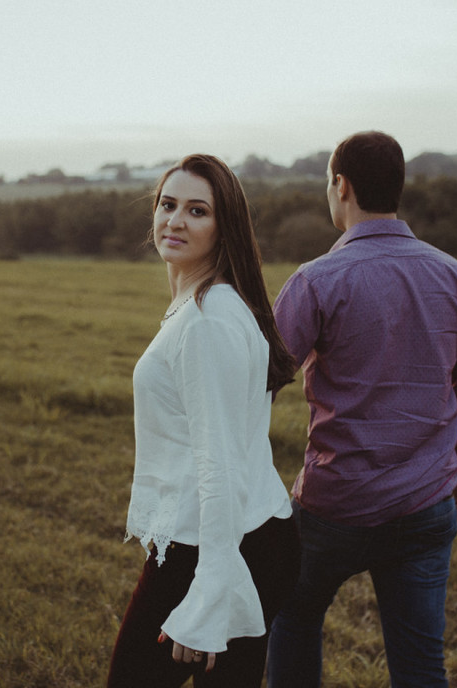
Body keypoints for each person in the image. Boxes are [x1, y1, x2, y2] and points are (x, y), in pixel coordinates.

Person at [266, 131, 457, 688]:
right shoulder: (453, 274)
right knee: (420, 666)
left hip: (334, 504)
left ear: (341, 186)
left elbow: (260, 380)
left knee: (291, 613)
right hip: (428, 502)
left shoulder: (316, 279)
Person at [108, 154, 301, 688]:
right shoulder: (209, 302)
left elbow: (217, 465)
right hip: (249, 536)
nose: (175, 221)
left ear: (223, 227)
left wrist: (208, 598)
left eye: (197, 211)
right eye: (168, 205)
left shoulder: (205, 321)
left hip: (220, 544)